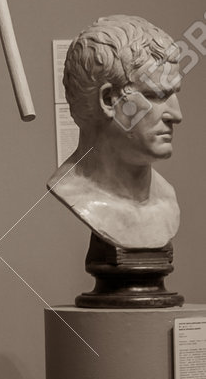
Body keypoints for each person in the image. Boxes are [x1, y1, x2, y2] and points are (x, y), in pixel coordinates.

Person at [47, 15, 183, 249]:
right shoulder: (72, 192)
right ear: (109, 100)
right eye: (154, 95)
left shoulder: (167, 198)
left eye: (173, 94)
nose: (177, 115)